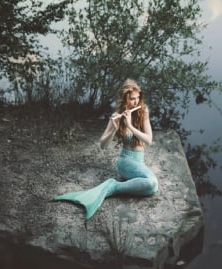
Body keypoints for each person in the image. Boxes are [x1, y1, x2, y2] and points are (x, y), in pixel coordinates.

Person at [53, 79, 158, 220]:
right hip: (126, 161)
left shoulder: (143, 111)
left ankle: (116, 186)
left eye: (138, 98)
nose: (136, 102)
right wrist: (114, 129)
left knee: (150, 184)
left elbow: (149, 140)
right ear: (125, 100)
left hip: (140, 161)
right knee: (152, 184)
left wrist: (130, 126)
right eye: (132, 99)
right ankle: (113, 186)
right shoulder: (117, 116)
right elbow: (103, 145)